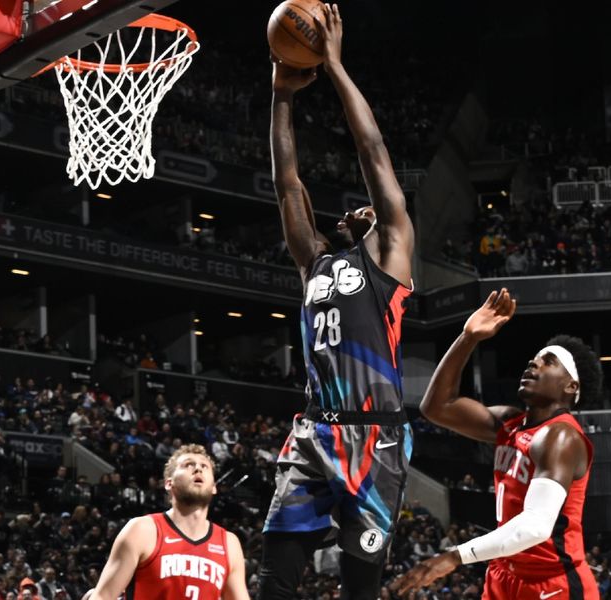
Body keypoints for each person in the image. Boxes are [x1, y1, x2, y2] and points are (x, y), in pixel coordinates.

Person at [258, 5, 415, 600]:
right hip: (312, 436)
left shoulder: (391, 259)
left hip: (376, 442)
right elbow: (286, 183)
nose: (360, 210)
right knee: (275, 580)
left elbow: (372, 150)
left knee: (359, 591)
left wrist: (335, 66)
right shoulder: (314, 263)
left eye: (369, 212)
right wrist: (280, 96)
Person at [393, 289, 602, 599]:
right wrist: (468, 337)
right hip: (504, 573)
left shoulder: (561, 436)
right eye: (533, 360)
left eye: (548, 362)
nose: (533, 365)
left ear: (571, 386)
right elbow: (437, 407)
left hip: (551, 582)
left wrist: (454, 556)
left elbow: (535, 526)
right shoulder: (510, 423)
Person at [84, 444, 248, 600]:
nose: (198, 468)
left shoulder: (229, 543)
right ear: (169, 483)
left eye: (204, 466)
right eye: (188, 465)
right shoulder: (142, 531)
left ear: (213, 487)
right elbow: (103, 596)